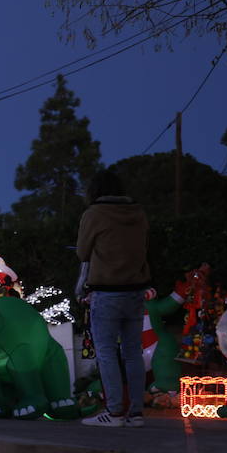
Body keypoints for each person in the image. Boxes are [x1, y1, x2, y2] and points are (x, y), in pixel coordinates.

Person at [76, 169, 152, 427]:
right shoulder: (138, 213)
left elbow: (82, 252)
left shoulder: (94, 214)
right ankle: (137, 413)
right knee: (132, 352)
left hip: (106, 292)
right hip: (135, 290)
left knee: (106, 353)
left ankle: (115, 411)